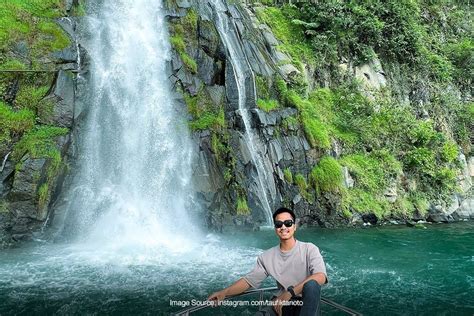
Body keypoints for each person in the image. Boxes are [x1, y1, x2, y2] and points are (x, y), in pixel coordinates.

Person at [208, 207, 328, 316]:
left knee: (312, 285)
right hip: (280, 304)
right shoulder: (266, 256)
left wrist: (289, 293)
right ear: (275, 228)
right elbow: (249, 281)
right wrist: (224, 292)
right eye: (279, 224)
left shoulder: (309, 249)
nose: (283, 227)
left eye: (288, 223)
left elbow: (320, 277)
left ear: (294, 226)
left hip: (306, 305)